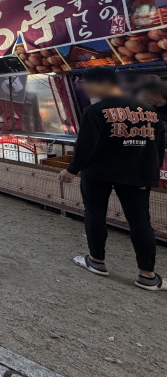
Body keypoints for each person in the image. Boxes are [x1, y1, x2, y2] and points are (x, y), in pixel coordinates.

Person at [59, 67, 166, 291]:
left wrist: (72, 169)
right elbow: (159, 147)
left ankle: (97, 262)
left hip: (98, 173)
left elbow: (86, 146)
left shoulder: (95, 111)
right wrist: (150, 172)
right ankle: (147, 275)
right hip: (138, 174)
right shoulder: (150, 112)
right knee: (140, 222)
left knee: (95, 215)